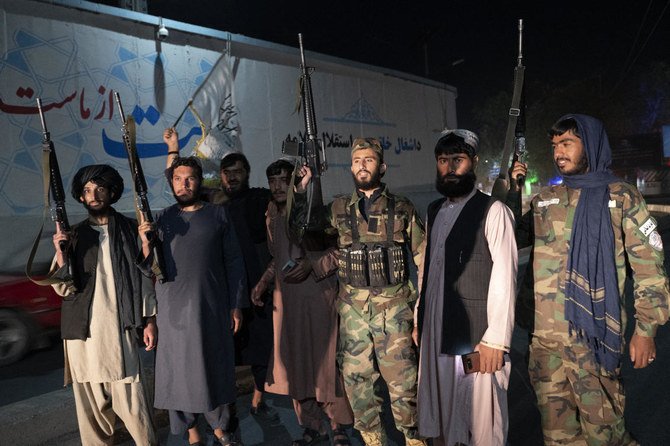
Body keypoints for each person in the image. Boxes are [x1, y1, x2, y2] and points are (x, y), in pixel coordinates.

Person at [508, 114, 670, 445]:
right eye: (555, 146)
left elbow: (650, 270)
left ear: (591, 145)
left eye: (567, 143)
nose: (558, 152)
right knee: (557, 437)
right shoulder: (543, 202)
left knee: (606, 435)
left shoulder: (622, 198)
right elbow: (506, 239)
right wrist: (511, 192)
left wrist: (646, 330)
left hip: (593, 340)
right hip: (545, 344)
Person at [302, 137, 427, 446]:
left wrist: (422, 306)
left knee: (403, 383)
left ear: (381, 167)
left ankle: (414, 438)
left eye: (368, 160)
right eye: (357, 160)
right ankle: (373, 439)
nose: (362, 165)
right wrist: (303, 189)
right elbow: (303, 227)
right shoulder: (339, 208)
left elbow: (424, 258)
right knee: (358, 384)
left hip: (394, 309)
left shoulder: (402, 208)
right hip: (353, 311)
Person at [165, 129, 277, 421]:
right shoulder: (214, 201)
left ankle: (257, 399)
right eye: (227, 173)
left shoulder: (258, 198)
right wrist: (173, 149)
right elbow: (176, 181)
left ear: (247, 173)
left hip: (254, 280)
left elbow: (283, 198)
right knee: (224, 353)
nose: (232, 178)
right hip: (221, 284)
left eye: (237, 172)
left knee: (259, 346)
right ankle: (219, 416)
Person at [413, 130, 517, 446]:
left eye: (456, 160)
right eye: (443, 161)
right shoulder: (434, 211)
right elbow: (428, 270)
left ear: (472, 163)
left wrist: (496, 341)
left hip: (479, 336)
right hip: (438, 330)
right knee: (443, 415)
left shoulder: (493, 210)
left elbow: (505, 278)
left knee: (482, 424)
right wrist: (421, 318)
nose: (449, 168)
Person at [139, 156, 246, 446]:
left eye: (189, 179)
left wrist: (236, 305)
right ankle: (192, 435)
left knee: (214, 369)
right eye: (177, 179)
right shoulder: (161, 220)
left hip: (210, 306)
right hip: (172, 312)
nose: (183, 184)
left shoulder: (218, 215)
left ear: (199, 182)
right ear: (171, 182)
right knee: (179, 374)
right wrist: (147, 242)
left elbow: (234, 261)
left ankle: (223, 431)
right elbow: (150, 270)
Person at [50, 164, 157, 446]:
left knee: (136, 410)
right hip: (82, 339)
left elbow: (147, 276)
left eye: (99, 188)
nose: (93, 194)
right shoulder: (72, 236)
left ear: (111, 192)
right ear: (81, 198)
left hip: (120, 332)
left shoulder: (130, 230)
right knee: (92, 418)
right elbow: (63, 288)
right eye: (87, 190)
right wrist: (61, 253)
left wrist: (150, 320)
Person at [251, 159, 354, 445]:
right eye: (272, 181)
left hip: (318, 296)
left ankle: (337, 426)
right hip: (287, 301)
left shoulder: (317, 209)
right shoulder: (272, 211)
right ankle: (311, 425)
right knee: (296, 362)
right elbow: (278, 254)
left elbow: (342, 250)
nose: (278, 186)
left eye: (284, 180)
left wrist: (313, 264)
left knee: (325, 363)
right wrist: (263, 282)